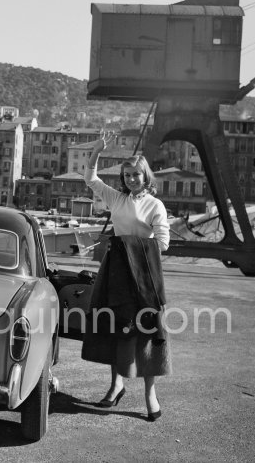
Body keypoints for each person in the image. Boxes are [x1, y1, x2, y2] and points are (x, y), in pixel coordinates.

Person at [82, 131, 171, 422]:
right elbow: (90, 179)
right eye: (127, 175)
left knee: (146, 333)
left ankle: (150, 394)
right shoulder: (116, 198)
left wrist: (135, 251)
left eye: (136, 174)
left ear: (146, 177)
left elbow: (163, 241)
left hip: (144, 277)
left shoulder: (155, 205)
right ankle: (116, 384)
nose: (131, 179)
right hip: (116, 272)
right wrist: (96, 150)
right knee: (114, 326)